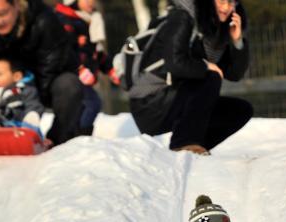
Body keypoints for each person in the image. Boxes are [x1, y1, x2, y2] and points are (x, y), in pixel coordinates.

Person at [0, 0, 83, 146]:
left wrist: (27, 97)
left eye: (2, 13)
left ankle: (55, 140)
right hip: (6, 81)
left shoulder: (44, 19)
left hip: (44, 82)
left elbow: (52, 65)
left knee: (69, 86)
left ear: (16, 4)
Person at [129, 0, 253, 155]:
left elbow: (234, 74)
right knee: (211, 76)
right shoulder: (182, 17)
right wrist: (206, 66)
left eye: (231, 2)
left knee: (240, 110)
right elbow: (174, 63)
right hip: (152, 103)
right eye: (221, 1)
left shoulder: (217, 29)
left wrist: (237, 41)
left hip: (178, 99)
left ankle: (196, 148)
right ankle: (184, 144)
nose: (226, 7)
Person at [54, 0, 116, 135]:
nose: (91, 3)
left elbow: (95, 51)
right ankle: (80, 138)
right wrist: (79, 69)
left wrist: (110, 69)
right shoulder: (65, 20)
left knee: (83, 108)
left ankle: (78, 138)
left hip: (83, 75)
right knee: (91, 104)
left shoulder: (90, 20)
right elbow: (62, 50)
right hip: (69, 76)